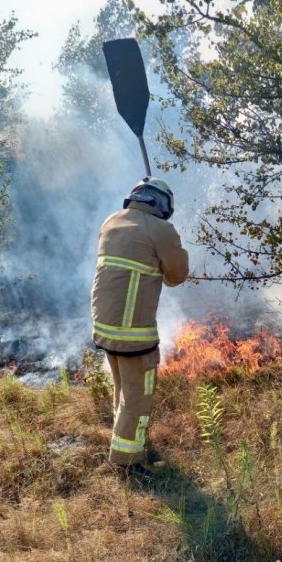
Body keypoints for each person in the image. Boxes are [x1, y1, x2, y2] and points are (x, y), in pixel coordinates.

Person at [91, 177, 189, 473]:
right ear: (162, 204)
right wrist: (171, 242)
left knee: (123, 389)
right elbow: (176, 276)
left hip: (105, 327)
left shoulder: (112, 221)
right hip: (133, 333)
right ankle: (128, 463)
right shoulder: (161, 229)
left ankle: (125, 440)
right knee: (137, 398)